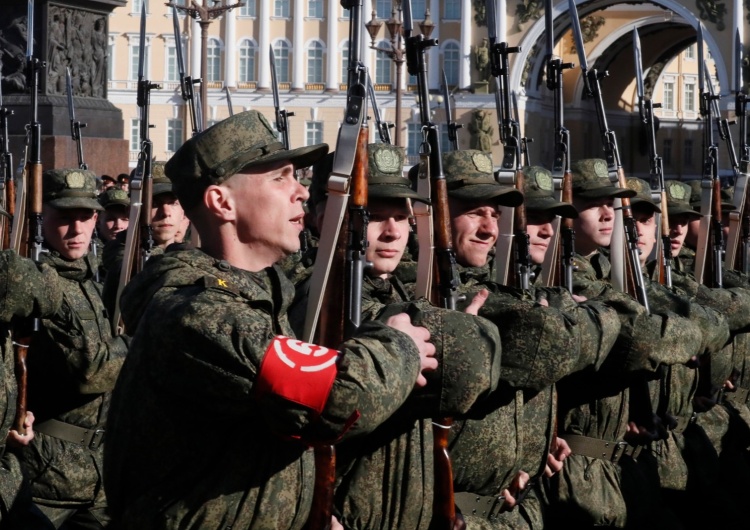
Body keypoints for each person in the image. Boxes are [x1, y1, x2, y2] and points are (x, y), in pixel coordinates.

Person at [103, 111, 504, 530]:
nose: (300, 192)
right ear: (222, 202)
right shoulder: (197, 313)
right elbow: (336, 397)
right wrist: (399, 343)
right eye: (281, 177)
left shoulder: (261, 300)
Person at [15, 168, 129, 529]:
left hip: (98, 474)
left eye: (86, 217)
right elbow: (89, 371)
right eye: (64, 218)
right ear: (41, 219)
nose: (77, 229)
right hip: (48, 473)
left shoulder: (88, 276)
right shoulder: (36, 280)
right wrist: (137, 345)